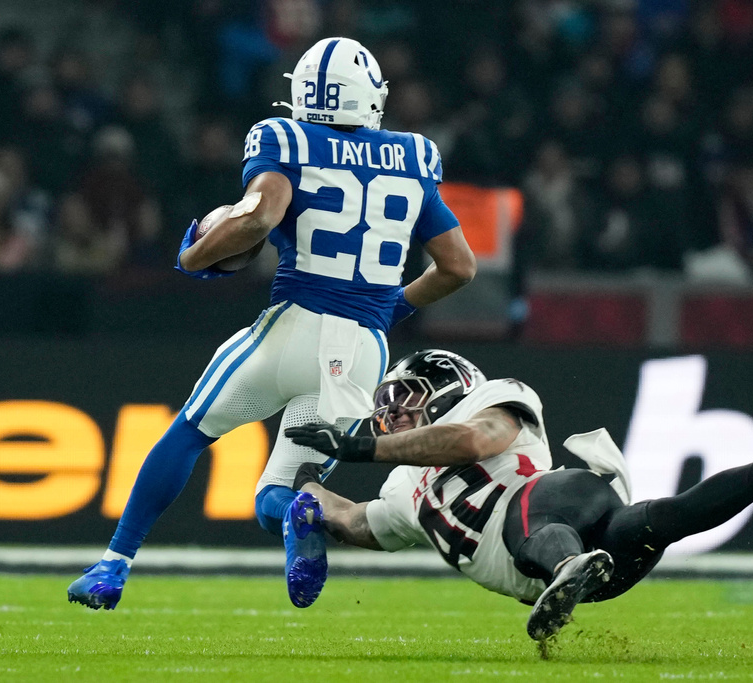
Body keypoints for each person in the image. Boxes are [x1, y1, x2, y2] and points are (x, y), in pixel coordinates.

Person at [67, 38, 477, 611]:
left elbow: (261, 213)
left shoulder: (285, 137)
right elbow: (459, 265)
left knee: (189, 432)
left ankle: (114, 564)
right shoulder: (413, 154)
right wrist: (394, 306)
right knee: (281, 493)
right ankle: (301, 514)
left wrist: (193, 256)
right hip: (363, 349)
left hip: (294, 327)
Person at [284, 349, 753, 640]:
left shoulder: (491, 401)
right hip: (583, 575)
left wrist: (358, 448)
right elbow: (361, 523)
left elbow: (469, 440)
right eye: (388, 406)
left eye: (408, 398)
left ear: (449, 389)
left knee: (530, 510)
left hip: (562, 505)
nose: (393, 414)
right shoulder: (401, 488)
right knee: (663, 521)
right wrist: (301, 493)